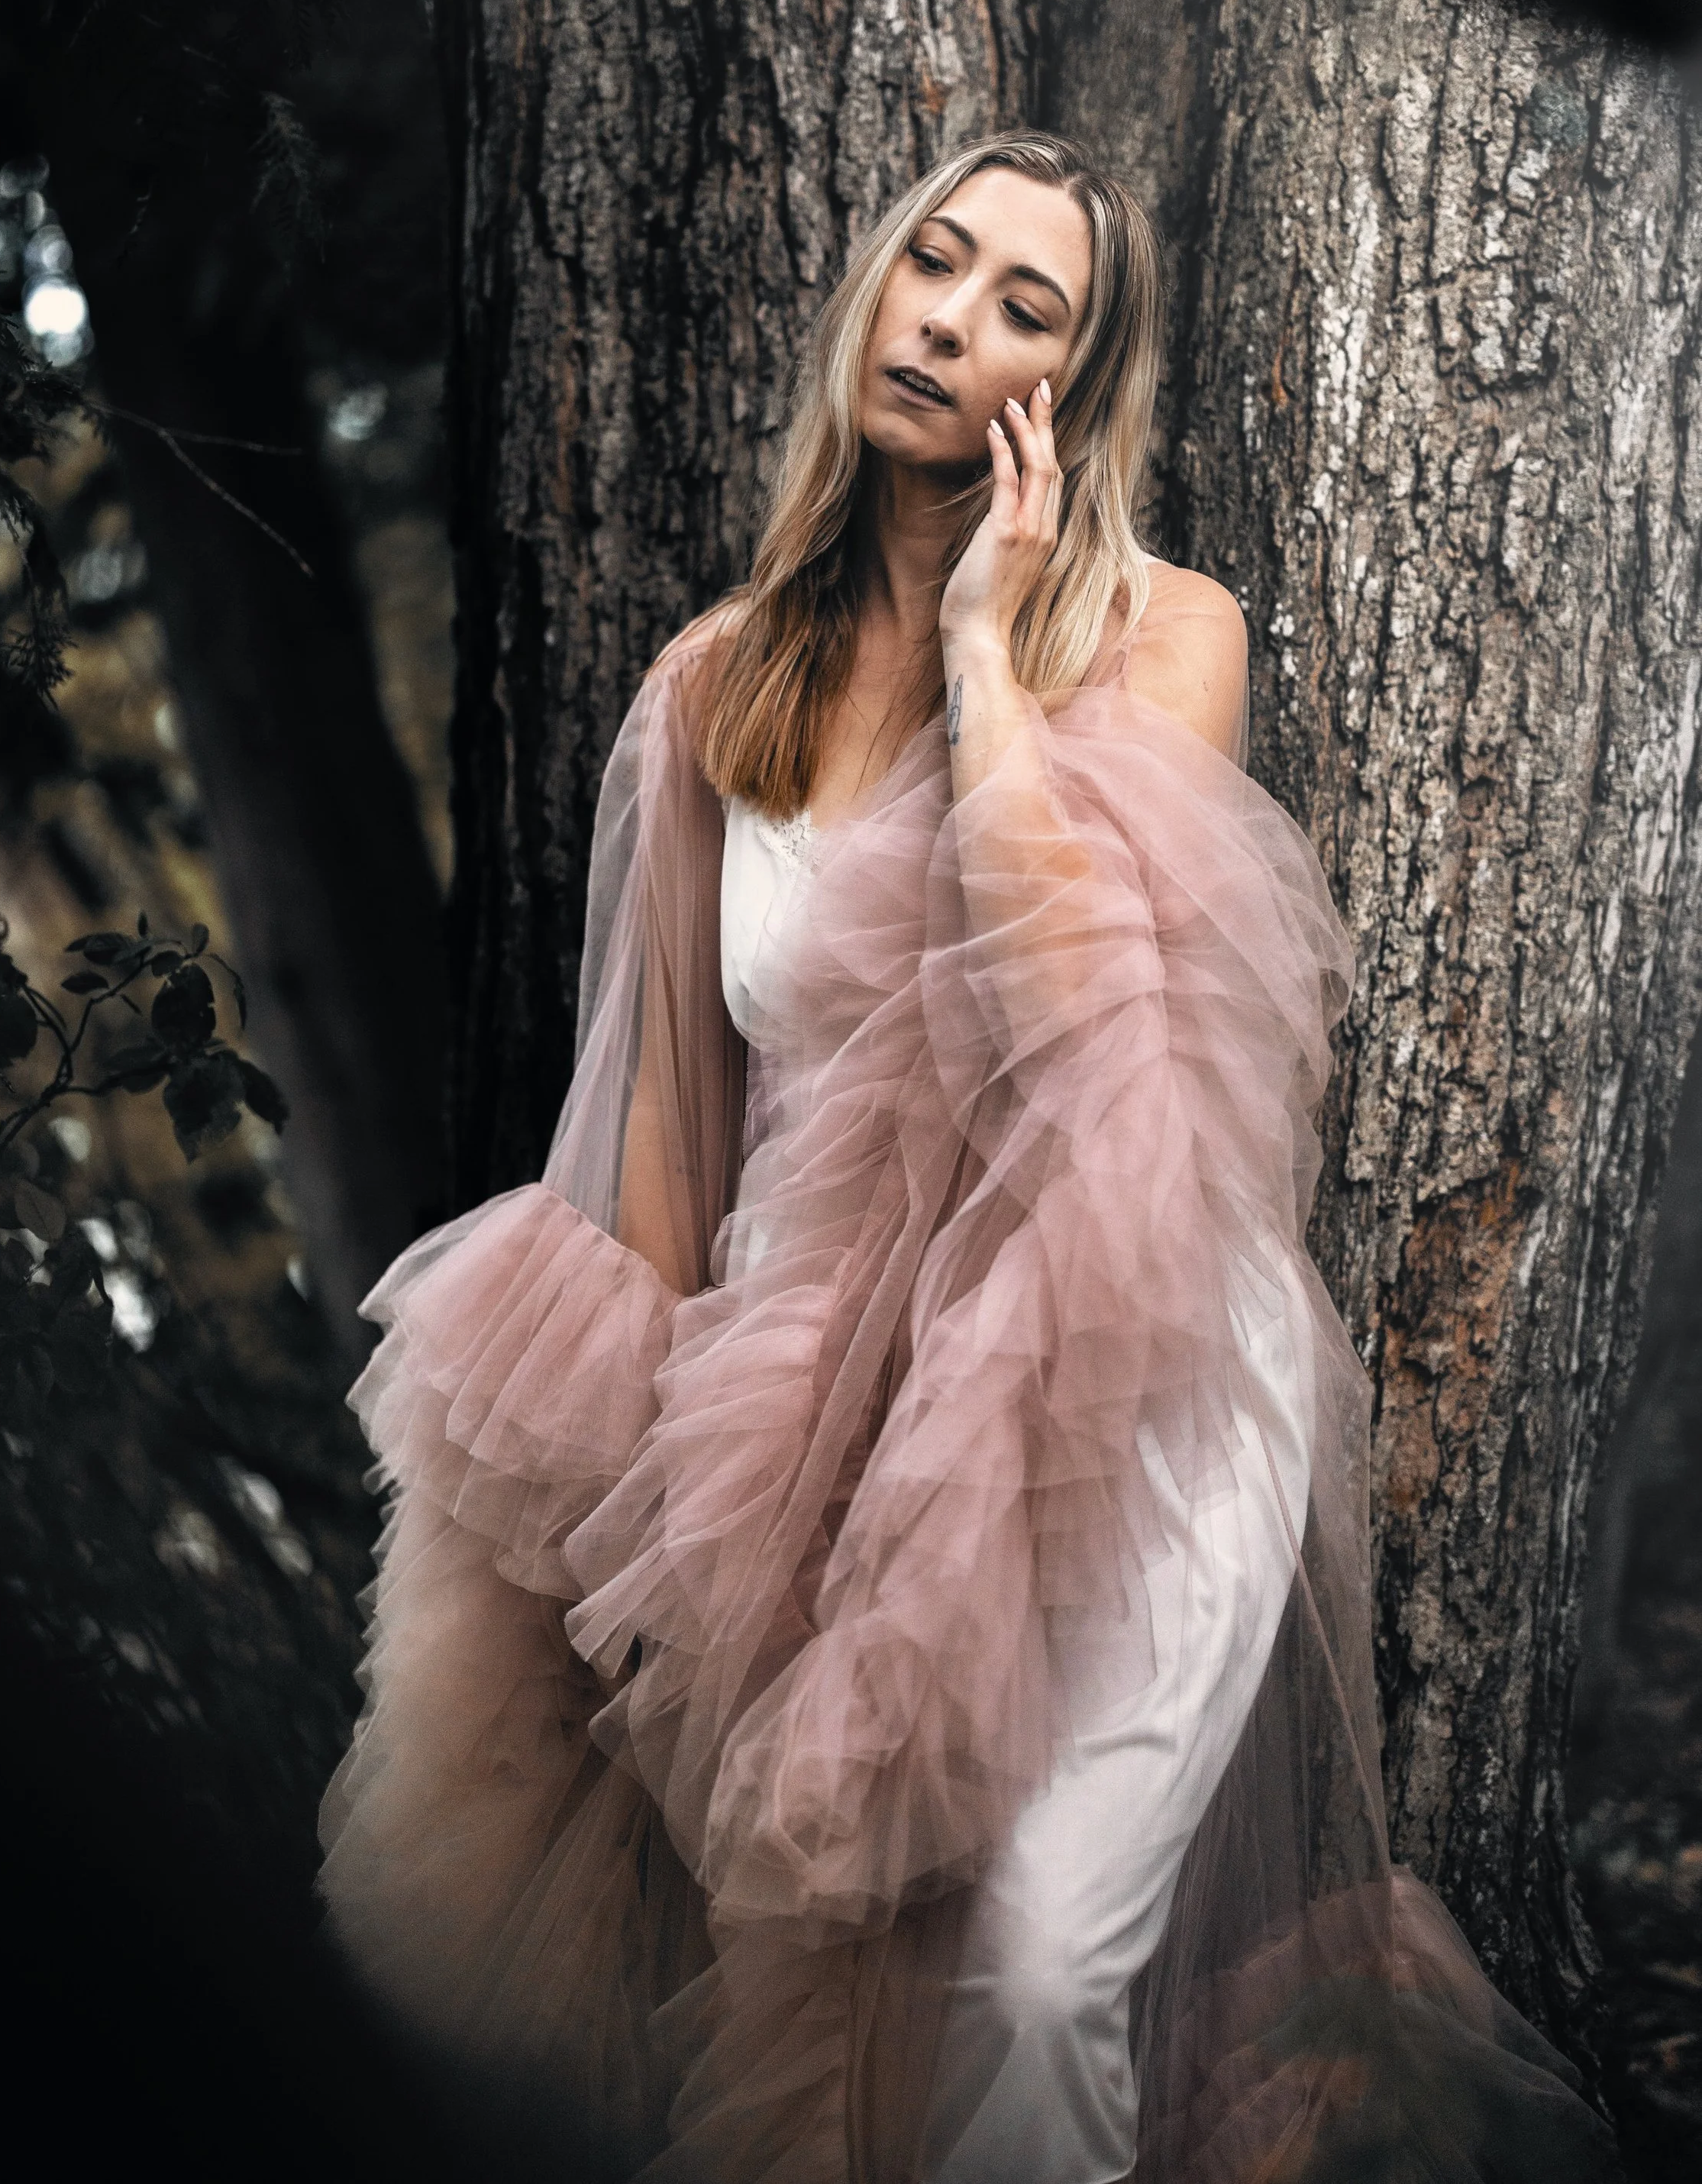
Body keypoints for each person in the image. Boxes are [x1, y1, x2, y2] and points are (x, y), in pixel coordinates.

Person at [321, 132, 1613, 2181]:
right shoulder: (707, 688)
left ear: (1068, 395)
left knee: (1033, 1966)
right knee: (851, 2014)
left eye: (1027, 307)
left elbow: (1084, 1027)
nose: (952, 320)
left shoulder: (1161, 636)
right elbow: (671, 1139)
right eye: (936, 265)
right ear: (871, 288)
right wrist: (653, 1538)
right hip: (831, 1409)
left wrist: (991, 657)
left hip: (1130, 1370)